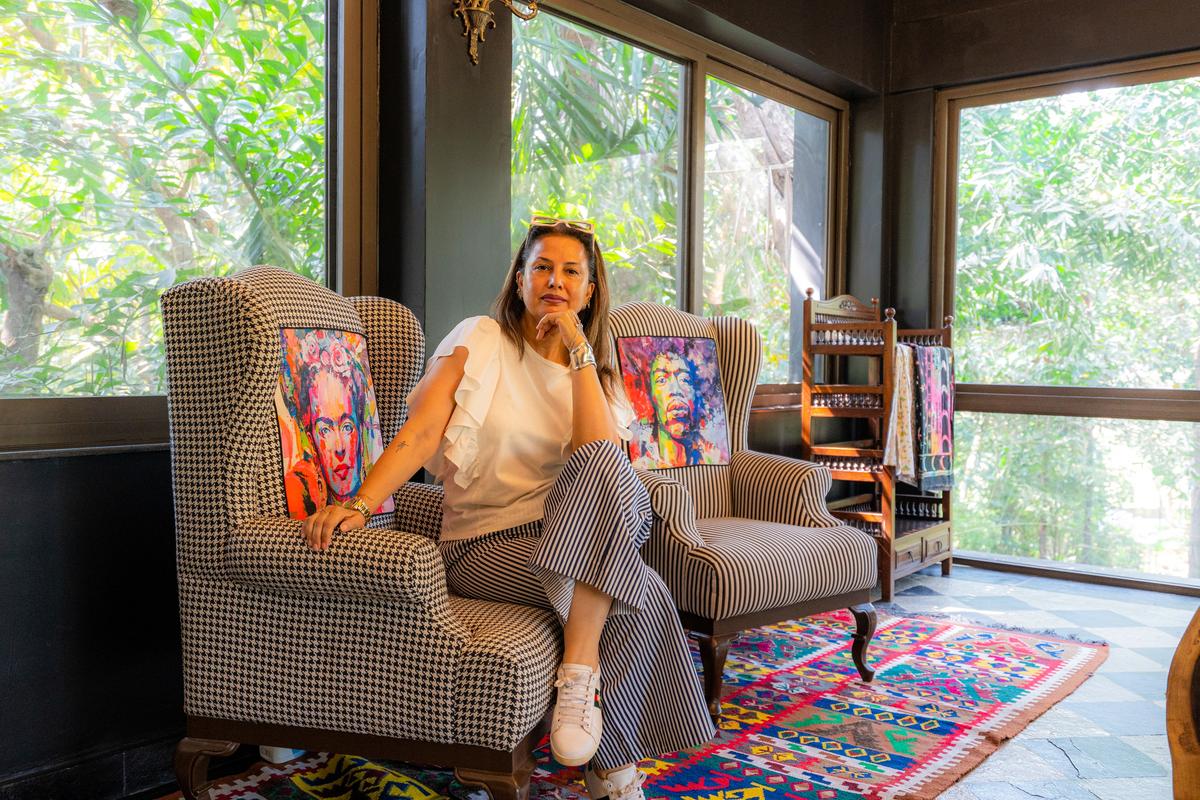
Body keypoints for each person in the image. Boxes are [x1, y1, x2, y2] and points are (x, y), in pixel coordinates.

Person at [301, 216, 715, 799]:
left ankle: (580, 685)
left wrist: (576, 348)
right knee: (639, 591)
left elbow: (598, 458)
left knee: (610, 472)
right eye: (541, 266)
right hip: (482, 545)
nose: (555, 280)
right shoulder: (483, 340)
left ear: (590, 290)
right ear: (518, 279)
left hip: (567, 536)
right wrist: (363, 502)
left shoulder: (596, 374)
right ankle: (615, 779)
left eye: (572, 271)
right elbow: (420, 435)